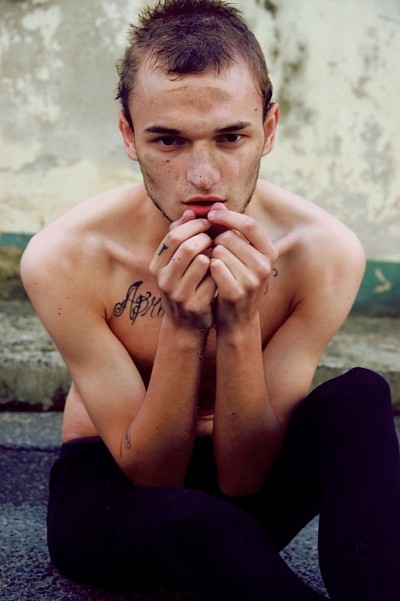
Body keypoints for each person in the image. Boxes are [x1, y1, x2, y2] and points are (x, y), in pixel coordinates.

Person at [20, 1, 400, 599]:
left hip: (247, 475)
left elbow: (246, 479)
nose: (203, 178)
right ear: (129, 136)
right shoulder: (66, 257)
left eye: (230, 137)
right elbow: (152, 476)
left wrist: (240, 322)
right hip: (117, 489)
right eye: (168, 140)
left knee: (360, 396)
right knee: (199, 522)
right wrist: (183, 325)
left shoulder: (324, 252)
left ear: (268, 129)